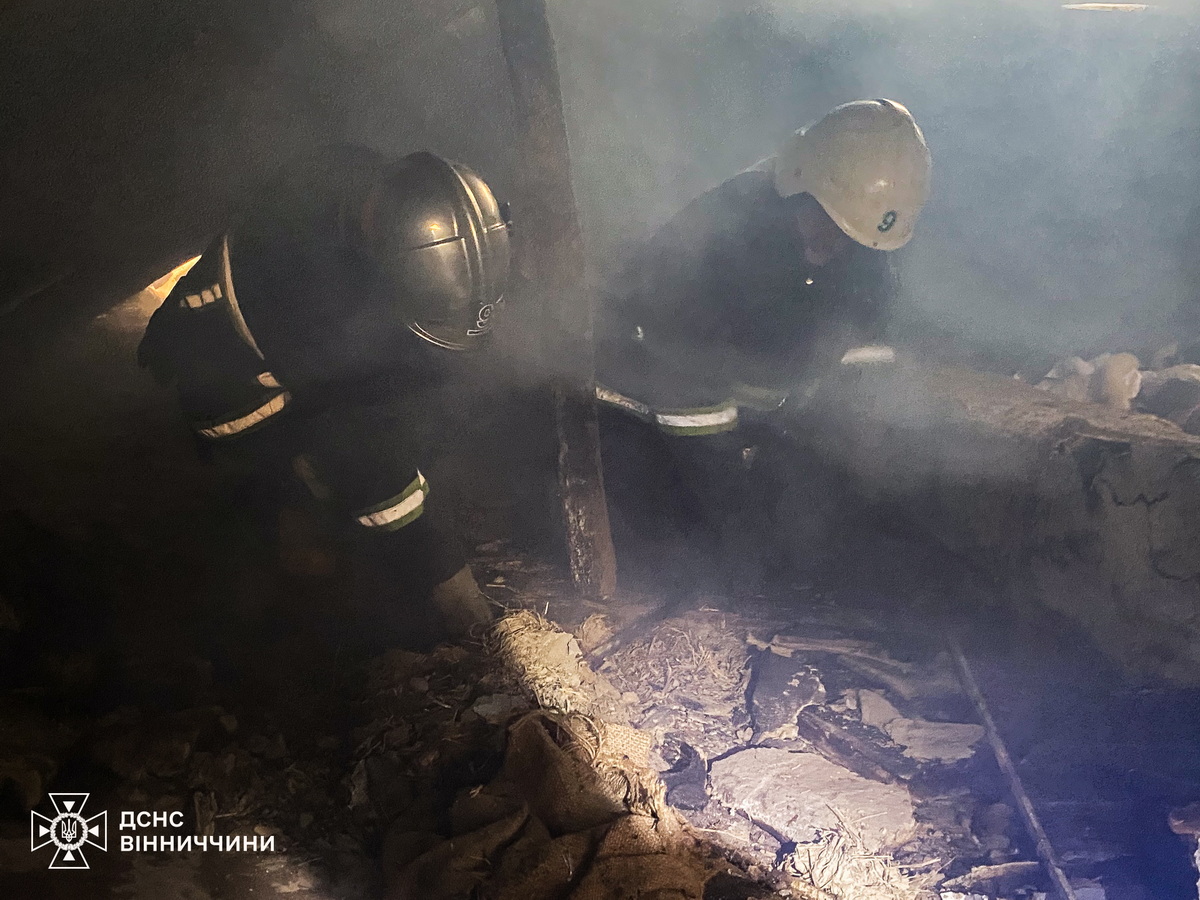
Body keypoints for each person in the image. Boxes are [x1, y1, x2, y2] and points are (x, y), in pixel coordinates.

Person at [137, 145, 511, 641]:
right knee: (315, 514)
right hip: (234, 394)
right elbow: (368, 459)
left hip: (303, 346)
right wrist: (451, 581)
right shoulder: (309, 309)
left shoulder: (389, 197)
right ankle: (283, 564)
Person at [594, 99, 932, 593]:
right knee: (705, 548)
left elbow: (852, 365)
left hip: (742, 418)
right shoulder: (719, 241)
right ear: (796, 186)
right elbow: (689, 396)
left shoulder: (871, 265)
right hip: (648, 417)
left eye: (849, 234)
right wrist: (741, 521)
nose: (832, 243)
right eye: (825, 219)